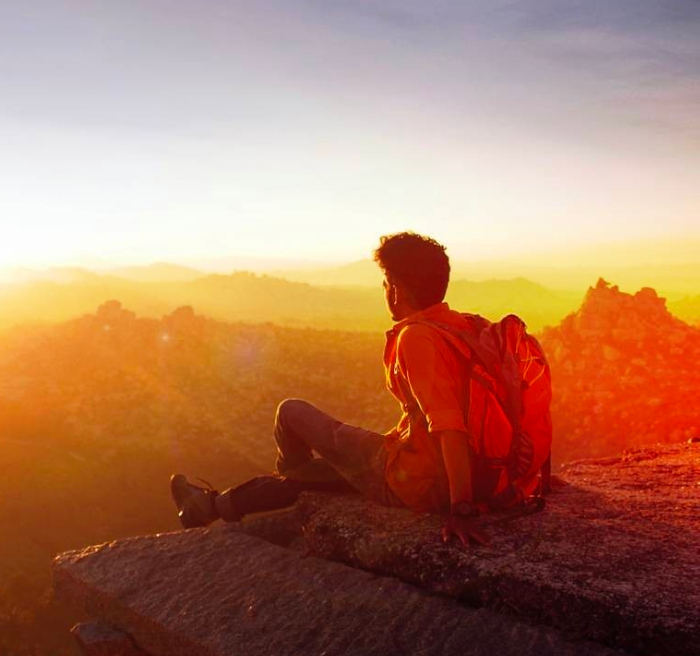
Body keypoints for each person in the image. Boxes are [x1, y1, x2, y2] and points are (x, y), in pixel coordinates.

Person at [171, 231, 488, 547]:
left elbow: (450, 427)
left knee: (291, 413)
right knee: (335, 471)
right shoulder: (470, 328)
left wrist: (461, 508)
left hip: (420, 483)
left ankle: (284, 483)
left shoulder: (417, 338)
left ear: (396, 289)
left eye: (385, 282)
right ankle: (212, 506)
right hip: (480, 477)